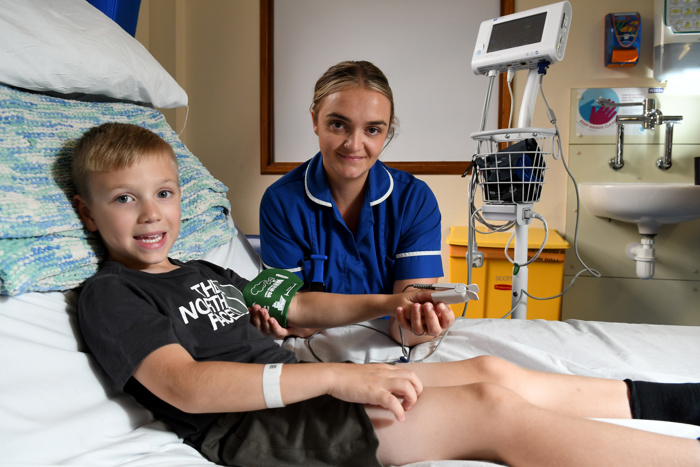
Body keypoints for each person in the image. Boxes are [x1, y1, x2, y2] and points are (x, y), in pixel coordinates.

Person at [73, 123, 700, 467]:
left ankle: (671, 399)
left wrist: (389, 304)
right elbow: (185, 387)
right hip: (257, 431)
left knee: (490, 369)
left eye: (163, 193)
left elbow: (296, 307)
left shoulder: (204, 269)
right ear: (89, 213)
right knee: (488, 408)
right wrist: (334, 380)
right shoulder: (111, 294)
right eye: (124, 198)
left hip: (296, 391)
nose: (151, 215)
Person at [258, 60, 446, 345]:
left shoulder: (415, 201)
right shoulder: (281, 202)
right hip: (315, 351)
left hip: (388, 346)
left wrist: (422, 324)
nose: (354, 145)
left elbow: (402, 328)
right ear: (314, 121)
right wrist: (294, 322)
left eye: (372, 130)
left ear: (387, 132)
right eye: (338, 124)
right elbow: (292, 315)